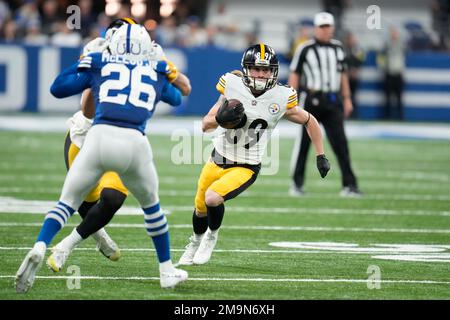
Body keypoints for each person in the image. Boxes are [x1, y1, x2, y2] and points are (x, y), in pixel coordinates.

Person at [15, 23, 188, 293]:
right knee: (152, 208)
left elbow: (58, 89)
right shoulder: (153, 68)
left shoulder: (98, 59)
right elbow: (178, 99)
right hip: (132, 143)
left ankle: (40, 244)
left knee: (66, 203)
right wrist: (165, 72)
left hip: (98, 138)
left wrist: (85, 63)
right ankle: (166, 270)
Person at [177, 43, 330, 266]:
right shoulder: (232, 85)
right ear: (246, 69)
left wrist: (320, 154)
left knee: (212, 198)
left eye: (266, 70)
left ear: (274, 72)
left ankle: (211, 237)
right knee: (200, 208)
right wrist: (221, 118)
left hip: (246, 165)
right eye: (256, 69)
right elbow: (205, 125)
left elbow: (310, 120)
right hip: (217, 157)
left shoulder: (281, 96)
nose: (261, 74)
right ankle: (195, 242)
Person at [289, 12, 361, 197]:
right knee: (304, 144)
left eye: (328, 26)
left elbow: (342, 74)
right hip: (311, 100)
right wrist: (290, 99)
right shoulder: (305, 48)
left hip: (333, 101)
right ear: (316, 28)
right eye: (322, 26)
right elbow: (295, 73)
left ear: (333, 27)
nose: (325, 29)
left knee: (341, 144)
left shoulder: (338, 48)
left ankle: (350, 185)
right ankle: (297, 184)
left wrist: (347, 98)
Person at [377, 27, 405, 120]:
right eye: (392, 33)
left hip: (398, 73)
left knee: (399, 97)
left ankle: (400, 117)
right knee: (387, 97)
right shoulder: (386, 45)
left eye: (395, 33)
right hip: (389, 73)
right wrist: (383, 67)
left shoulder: (401, 44)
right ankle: (387, 117)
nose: (394, 35)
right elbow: (380, 57)